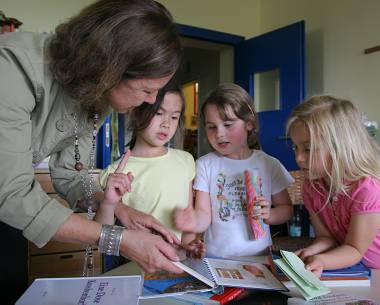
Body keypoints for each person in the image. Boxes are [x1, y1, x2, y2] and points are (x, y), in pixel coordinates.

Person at [0, 1, 185, 300]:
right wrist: (119, 240)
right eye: (147, 89)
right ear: (112, 66)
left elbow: (72, 175)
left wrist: (121, 211)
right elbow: (12, 193)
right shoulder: (13, 66)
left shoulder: (97, 96)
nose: (152, 102)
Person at [174, 83, 294, 258]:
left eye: (228, 125)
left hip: (260, 257)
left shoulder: (268, 164)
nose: (219, 134)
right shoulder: (205, 165)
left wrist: (271, 214)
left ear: (249, 124)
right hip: (217, 258)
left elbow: (286, 208)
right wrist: (192, 221)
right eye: (211, 126)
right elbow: (204, 214)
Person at [97, 82, 205, 264]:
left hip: (175, 265)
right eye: (159, 113)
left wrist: (190, 247)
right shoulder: (116, 172)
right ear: (136, 111)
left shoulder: (186, 161)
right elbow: (102, 235)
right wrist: (108, 204)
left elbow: (188, 223)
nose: (166, 124)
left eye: (174, 117)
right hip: (134, 266)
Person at [287, 95, 380, 277]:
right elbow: (326, 237)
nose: (298, 158)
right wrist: (311, 252)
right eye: (295, 148)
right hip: (354, 269)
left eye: (308, 148)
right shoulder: (311, 187)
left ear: (340, 147)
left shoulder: (366, 189)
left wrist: (322, 260)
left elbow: (354, 248)